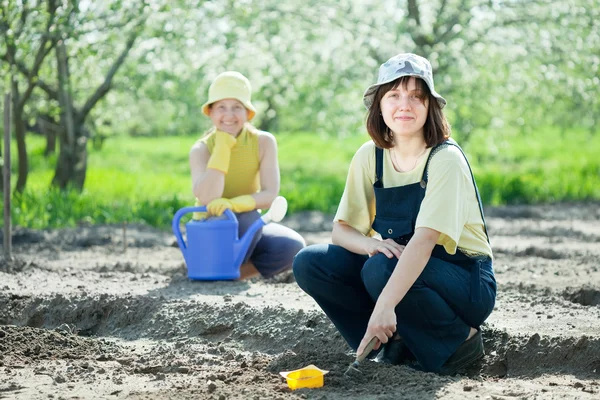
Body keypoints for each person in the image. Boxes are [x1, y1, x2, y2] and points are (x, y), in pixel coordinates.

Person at [292, 53, 496, 375]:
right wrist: (370, 245)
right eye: (394, 95)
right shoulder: (369, 157)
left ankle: (459, 341)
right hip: (397, 262)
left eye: (417, 96)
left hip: (466, 280)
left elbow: (425, 240)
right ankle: (395, 341)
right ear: (379, 105)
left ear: (430, 106)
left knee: (379, 270)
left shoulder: (445, 159)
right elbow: (341, 231)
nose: (405, 105)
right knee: (312, 262)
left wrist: (384, 305)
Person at [190, 71, 305, 280]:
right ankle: (210, 266)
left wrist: (234, 205)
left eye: (237, 107)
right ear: (210, 112)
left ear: (247, 112)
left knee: (292, 246)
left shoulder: (263, 142)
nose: (229, 115)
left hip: (247, 224)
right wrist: (223, 145)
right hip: (210, 230)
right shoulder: (201, 149)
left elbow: (270, 193)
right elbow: (207, 197)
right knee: (246, 220)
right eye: (221, 107)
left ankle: (232, 274)